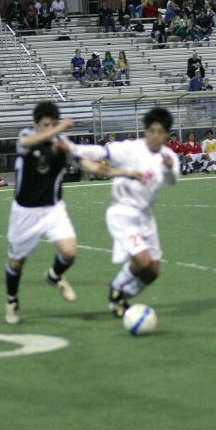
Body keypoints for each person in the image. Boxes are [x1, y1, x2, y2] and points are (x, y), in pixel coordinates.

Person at [4, 101, 143, 325]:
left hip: (53, 208)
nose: (49, 129)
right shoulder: (27, 137)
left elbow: (93, 167)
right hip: (25, 212)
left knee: (69, 253)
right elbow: (26, 142)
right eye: (44, 125)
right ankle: (12, 301)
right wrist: (58, 130)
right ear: (36, 124)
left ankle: (54, 276)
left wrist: (126, 172)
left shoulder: (63, 145)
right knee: (16, 263)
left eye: (52, 124)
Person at [68, 107, 179, 318]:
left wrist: (168, 167)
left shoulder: (168, 156)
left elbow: (173, 180)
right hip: (122, 213)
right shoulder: (131, 149)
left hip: (145, 216)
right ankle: (116, 288)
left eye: (161, 132)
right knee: (142, 261)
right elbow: (101, 153)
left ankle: (121, 296)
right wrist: (73, 148)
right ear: (146, 131)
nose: (156, 135)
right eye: (152, 131)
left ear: (166, 134)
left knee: (152, 271)